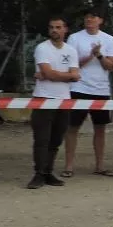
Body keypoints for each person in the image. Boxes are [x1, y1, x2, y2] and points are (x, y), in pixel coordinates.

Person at [63, 8, 113, 178]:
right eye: (87, 17)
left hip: (100, 90)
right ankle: (69, 166)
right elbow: (72, 65)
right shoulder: (74, 38)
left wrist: (100, 55)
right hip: (79, 88)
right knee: (72, 128)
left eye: (93, 17)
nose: (89, 20)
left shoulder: (109, 39)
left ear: (100, 20)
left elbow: (111, 66)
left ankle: (100, 166)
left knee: (100, 128)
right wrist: (90, 56)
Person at [27, 16, 80, 189]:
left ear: (65, 29)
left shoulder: (71, 50)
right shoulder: (42, 48)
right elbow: (49, 73)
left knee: (56, 139)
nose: (54, 30)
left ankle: (48, 172)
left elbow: (76, 75)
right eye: (51, 27)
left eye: (58, 27)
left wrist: (58, 75)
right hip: (43, 98)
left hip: (64, 100)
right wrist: (67, 76)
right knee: (41, 138)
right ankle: (39, 174)